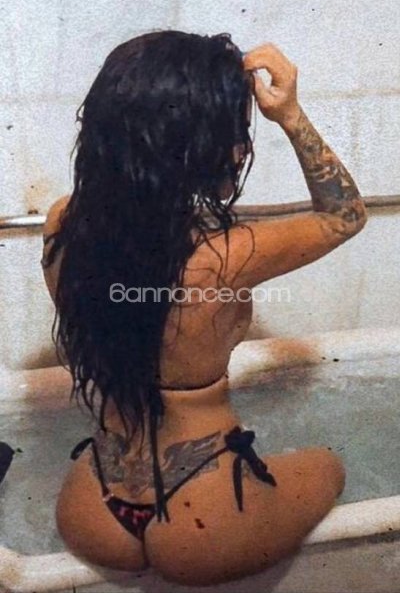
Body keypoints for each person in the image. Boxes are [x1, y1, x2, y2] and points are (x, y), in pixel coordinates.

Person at [41, 30, 367, 586]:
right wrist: (289, 114)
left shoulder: (64, 223)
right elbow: (345, 215)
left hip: (93, 498)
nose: (240, 150)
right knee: (330, 465)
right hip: (206, 504)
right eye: (232, 132)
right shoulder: (225, 256)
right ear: (189, 145)